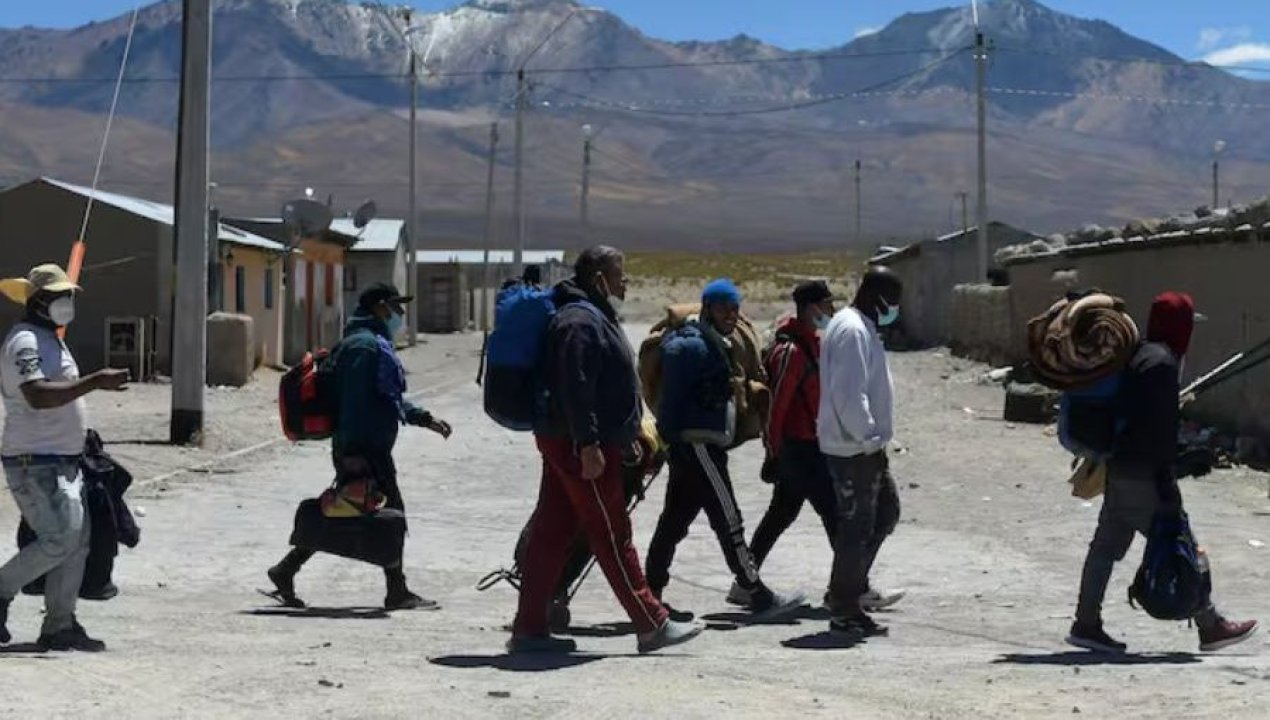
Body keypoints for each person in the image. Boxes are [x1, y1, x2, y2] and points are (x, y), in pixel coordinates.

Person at [510, 245, 702, 654]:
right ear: (599, 278)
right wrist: (589, 443)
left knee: (552, 531)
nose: (624, 281)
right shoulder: (579, 321)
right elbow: (575, 387)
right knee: (611, 531)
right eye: (619, 274)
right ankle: (651, 622)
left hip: (571, 440)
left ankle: (529, 627)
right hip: (578, 445)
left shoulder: (589, 314)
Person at [1068, 292, 1258, 653]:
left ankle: (1085, 623)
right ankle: (1210, 625)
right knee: (1182, 544)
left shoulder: (1138, 356)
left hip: (1120, 468)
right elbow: (1156, 432)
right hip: (1146, 477)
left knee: (1104, 549)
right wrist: (1174, 473)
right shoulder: (1162, 365)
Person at [266, 282, 452, 611]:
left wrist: (422, 418)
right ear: (380, 307)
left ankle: (286, 569)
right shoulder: (364, 348)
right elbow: (356, 403)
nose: (399, 314)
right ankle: (396, 591)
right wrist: (357, 453)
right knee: (391, 514)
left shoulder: (364, 343)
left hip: (362, 446)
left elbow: (386, 397)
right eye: (395, 306)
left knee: (344, 511)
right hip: (364, 449)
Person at [645, 278, 805, 622]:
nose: (731, 315)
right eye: (723, 309)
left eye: (735, 309)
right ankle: (755, 592)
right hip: (699, 446)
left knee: (674, 522)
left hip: (697, 447)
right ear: (708, 309)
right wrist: (667, 440)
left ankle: (650, 594)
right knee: (728, 519)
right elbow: (672, 400)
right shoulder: (689, 346)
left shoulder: (715, 342)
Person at [0, 264, 129, 651]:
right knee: (59, 540)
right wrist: (96, 381)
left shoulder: (50, 339)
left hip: (63, 460)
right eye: (59, 296)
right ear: (37, 301)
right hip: (34, 461)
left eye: (69, 296)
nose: (67, 303)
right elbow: (37, 395)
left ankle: (59, 625)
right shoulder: (24, 341)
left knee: (77, 542)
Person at [728, 281, 838, 606]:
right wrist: (773, 452)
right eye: (827, 305)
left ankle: (744, 582)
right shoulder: (792, 352)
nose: (832, 311)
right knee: (834, 514)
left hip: (810, 446)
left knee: (781, 515)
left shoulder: (812, 344)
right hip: (799, 450)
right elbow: (776, 407)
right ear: (812, 308)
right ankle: (850, 587)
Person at [818, 267, 906, 638]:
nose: (895, 310)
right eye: (893, 302)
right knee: (857, 526)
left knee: (885, 512)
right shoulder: (852, 330)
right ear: (875, 297)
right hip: (854, 448)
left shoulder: (859, 327)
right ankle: (844, 607)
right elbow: (848, 395)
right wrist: (868, 438)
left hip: (863, 445)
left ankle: (848, 589)